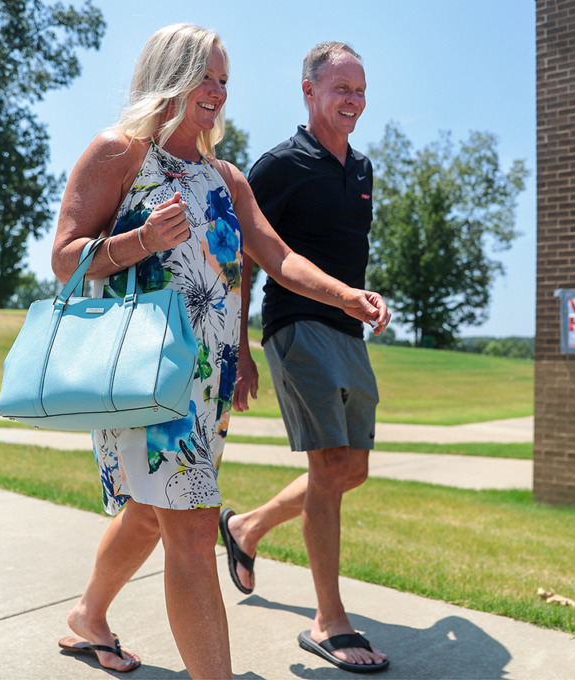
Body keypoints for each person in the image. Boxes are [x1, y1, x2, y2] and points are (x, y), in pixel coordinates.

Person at [51, 25, 390, 679]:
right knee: (193, 527)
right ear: (168, 77)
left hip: (205, 381)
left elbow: (278, 256)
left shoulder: (224, 177)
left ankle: (88, 618)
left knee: (154, 514)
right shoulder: (120, 152)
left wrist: (345, 294)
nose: (217, 92)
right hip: (143, 372)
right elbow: (65, 261)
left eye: (224, 81)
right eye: (205, 77)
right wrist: (138, 242)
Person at [223, 42, 390, 673]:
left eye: (360, 89)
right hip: (297, 326)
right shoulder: (280, 165)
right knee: (329, 471)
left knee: (352, 469)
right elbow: (244, 255)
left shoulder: (363, 169)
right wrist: (240, 346)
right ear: (309, 91)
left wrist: (363, 304)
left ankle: (245, 528)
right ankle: (329, 620)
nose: (353, 100)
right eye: (341, 88)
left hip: (347, 329)